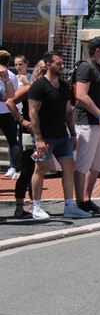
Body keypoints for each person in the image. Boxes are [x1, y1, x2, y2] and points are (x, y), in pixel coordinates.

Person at [27, 51, 92, 219]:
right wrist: (39, 139)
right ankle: (36, 206)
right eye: (58, 63)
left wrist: (72, 134)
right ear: (48, 65)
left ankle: (70, 205)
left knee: (69, 167)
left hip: (62, 135)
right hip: (45, 137)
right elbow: (33, 113)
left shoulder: (63, 86)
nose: (62, 66)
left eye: (63, 63)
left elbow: (68, 112)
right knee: (41, 169)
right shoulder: (39, 86)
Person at [73, 36, 100, 214]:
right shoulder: (86, 66)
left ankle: (87, 199)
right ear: (98, 50)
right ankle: (79, 202)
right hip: (88, 122)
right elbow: (81, 95)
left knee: (97, 165)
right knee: (83, 163)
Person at [5, 60, 46, 217]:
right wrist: (22, 120)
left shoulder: (50, 88)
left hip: (44, 133)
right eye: (41, 71)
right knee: (28, 169)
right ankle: (19, 206)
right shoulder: (30, 88)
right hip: (28, 132)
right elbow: (10, 102)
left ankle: (34, 205)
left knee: (40, 169)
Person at [0, 49, 20, 180]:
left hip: (6, 110)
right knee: (13, 141)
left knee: (13, 141)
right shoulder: (12, 76)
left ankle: (16, 167)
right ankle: (17, 168)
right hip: (7, 111)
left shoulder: (10, 77)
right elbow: (15, 95)